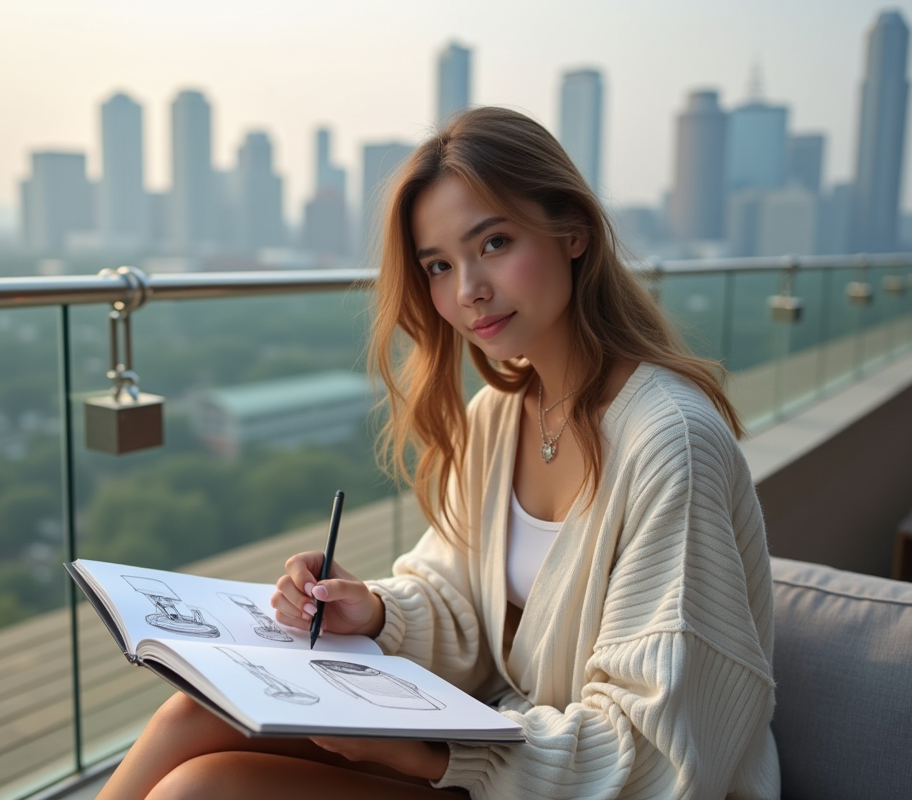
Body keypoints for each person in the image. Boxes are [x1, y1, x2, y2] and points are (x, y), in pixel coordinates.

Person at [97, 106, 779, 800]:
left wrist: (425, 753)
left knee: (205, 790)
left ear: (572, 232)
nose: (468, 291)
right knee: (193, 716)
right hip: (513, 747)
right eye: (440, 265)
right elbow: (458, 603)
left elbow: (655, 751)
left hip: (591, 782)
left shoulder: (670, 443)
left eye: (495, 243)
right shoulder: (499, 416)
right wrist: (372, 611)